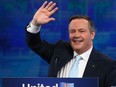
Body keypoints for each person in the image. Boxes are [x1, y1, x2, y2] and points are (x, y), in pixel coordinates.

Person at [26, 1, 116, 87]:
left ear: (92, 35)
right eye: (72, 31)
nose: (76, 35)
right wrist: (35, 23)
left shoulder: (108, 65)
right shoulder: (59, 50)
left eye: (81, 31)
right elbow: (34, 43)